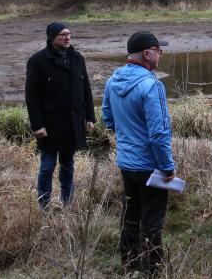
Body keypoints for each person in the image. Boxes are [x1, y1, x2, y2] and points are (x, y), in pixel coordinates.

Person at [102, 31, 176, 273]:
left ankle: (129, 263)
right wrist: (167, 167)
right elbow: (159, 133)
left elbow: (108, 120)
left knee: (131, 214)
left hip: (126, 163)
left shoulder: (113, 81)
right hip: (150, 167)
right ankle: (152, 269)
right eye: (158, 50)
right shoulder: (152, 85)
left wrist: (128, 136)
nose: (160, 54)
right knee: (152, 219)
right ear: (147, 54)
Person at [25, 21, 96, 209]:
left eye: (69, 34)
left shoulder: (77, 58)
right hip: (49, 124)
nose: (67, 37)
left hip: (72, 123)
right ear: (51, 37)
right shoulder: (37, 61)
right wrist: (37, 125)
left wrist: (90, 117)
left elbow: (86, 88)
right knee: (47, 166)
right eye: (62, 35)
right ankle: (44, 206)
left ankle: (67, 204)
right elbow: (31, 96)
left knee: (68, 165)